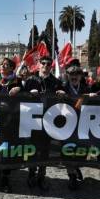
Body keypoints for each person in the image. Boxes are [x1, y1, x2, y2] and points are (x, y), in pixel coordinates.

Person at [24, 55, 65, 191]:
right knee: (32, 149)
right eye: (43, 63)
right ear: (39, 64)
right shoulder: (30, 79)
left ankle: (42, 176)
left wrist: (62, 94)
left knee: (45, 150)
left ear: (51, 66)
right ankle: (31, 173)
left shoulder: (55, 81)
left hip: (49, 121)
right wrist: (29, 93)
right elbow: (21, 97)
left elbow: (63, 100)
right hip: (33, 119)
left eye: (48, 64)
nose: (46, 66)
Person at [0, 57, 22, 192]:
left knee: (8, 147)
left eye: (7, 65)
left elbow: (26, 96)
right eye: (2, 64)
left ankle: (5, 176)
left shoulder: (18, 81)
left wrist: (20, 90)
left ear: (12, 68)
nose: (3, 66)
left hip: (11, 119)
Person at [62, 64, 89, 190]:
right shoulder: (62, 88)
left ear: (80, 76)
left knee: (82, 150)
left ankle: (76, 166)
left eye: (76, 75)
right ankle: (71, 175)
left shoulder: (85, 88)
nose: (74, 77)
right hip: (67, 124)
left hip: (82, 123)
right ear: (68, 76)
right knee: (68, 149)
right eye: (71, 75)